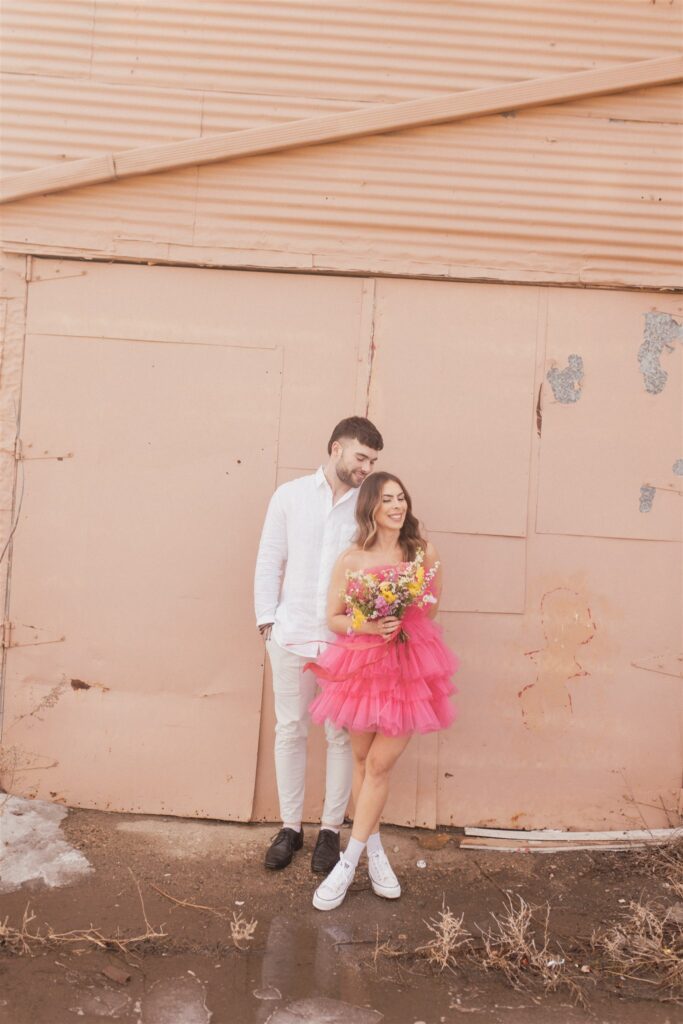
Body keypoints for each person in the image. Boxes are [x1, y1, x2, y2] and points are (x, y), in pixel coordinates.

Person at [306, 472, 458, 911]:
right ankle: (375, 853)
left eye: (401, 498)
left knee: (379, 762)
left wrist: (401, 613)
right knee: (359, 760)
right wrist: (371, 622)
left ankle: (346, 862)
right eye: (387, 499)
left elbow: (431, 606)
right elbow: (334, 617)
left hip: (408, 664)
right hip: (363, 663)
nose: (397, 505)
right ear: (370, 506)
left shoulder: (422, 551)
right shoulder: (351, 559)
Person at [254, 417, 384, 872]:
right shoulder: (289, 496)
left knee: (340, 735)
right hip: (289, 635)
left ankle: (330, 831)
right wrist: (267, 621)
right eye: (360, 457)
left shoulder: (366, 507)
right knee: (289, 730)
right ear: (336, 449)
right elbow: (271, 557)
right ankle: (290, 828)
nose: (366, 467)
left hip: (342, 642)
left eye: (372, 461)